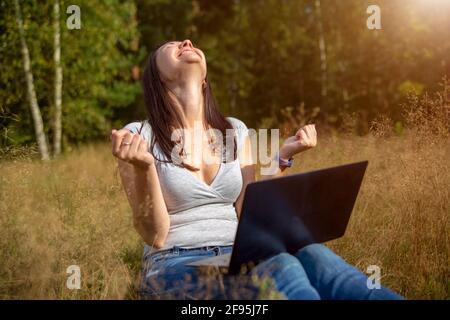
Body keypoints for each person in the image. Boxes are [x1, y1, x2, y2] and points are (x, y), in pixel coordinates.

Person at [110, 39, 403, 300]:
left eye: (188, 42)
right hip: (175, 265)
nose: (186, 42)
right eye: (171, 46)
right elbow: (155, 236)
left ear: (204, 80)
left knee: (317, 256)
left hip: (240, 252)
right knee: (282, 266)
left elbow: (250, 212)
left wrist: (283, 158)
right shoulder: (138, 137)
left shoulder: (235, 131)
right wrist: (145, 168)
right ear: (157, 78)